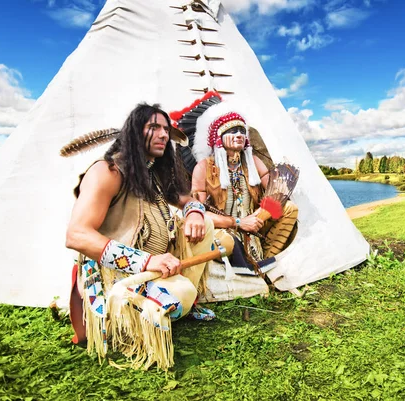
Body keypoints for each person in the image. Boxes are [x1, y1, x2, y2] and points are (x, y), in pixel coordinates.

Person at [65, 103, 214, 370]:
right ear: (135, 132)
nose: (164, 135)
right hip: (119, 275)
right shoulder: (107, 172)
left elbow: (187, 199)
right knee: (183, 293)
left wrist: (193, 212)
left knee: (209, 228)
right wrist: (144, 262)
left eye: (166, 129)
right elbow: (76, 235)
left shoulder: (151, 173)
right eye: (153, 127)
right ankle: (125, 319)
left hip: (154, 265)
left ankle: (173, 302)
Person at [173, 94, 298, 275]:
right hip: (225, 228)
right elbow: (197, 210)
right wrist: (238, 223)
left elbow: (276, 190)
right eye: (232, 131)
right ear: (218, 137)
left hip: (255, 223)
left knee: (289, 208)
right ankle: (243, 266)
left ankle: (265, 260)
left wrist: (259, 216)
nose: (239, 135)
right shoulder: (204, 167)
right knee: (221, 239)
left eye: (241, 131)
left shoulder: (253, 162)